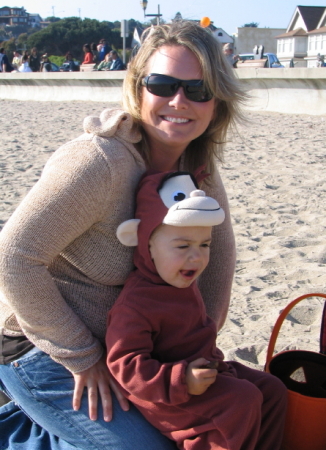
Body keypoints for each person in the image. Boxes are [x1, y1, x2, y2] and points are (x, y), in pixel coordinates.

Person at [0, 20, 243, 449]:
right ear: (138, 89)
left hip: (135, 355)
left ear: (217, 100)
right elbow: (14, 257)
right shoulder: (100, 162)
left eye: (198, 89)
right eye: (163, 85)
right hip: (48, 352)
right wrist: (83, 358)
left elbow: (220, 248)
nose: (179, 100)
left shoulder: (194, 162)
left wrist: (202, 329)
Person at [106, 170, 287, 450]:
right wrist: (181, 380)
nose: (197, 256)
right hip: (169, 397)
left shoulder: (178, 279)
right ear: (147, 242)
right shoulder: (136, 303)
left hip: (206, 370)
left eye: (205, 244)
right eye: (182, 245)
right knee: (242, 400)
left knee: (272, 390)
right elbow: (125, 367)